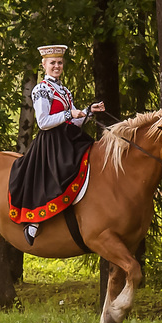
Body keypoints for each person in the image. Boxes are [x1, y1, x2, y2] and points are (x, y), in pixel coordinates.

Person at [8, 46, 106, 242]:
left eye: (60, 62)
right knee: (58, 173)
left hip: (69, 137)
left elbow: (73, 121)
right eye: (52, 63)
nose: (57, 66)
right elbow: (43, 122)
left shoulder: (64, 90)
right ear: (44, 65)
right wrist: (71, 113)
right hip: (51, 142)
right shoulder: (41, 89)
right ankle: (34, 222)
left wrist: (88, 111)